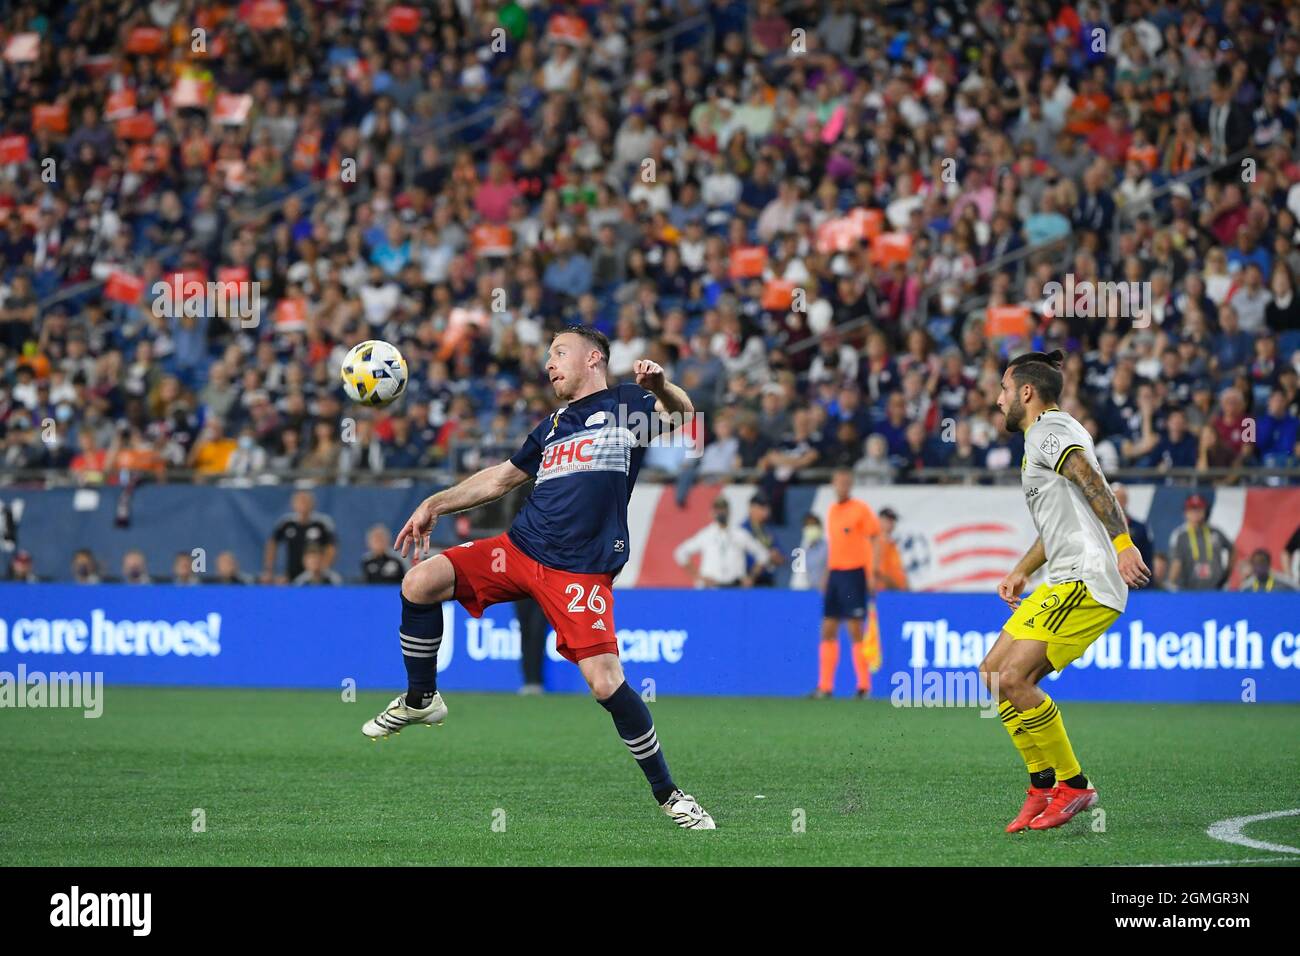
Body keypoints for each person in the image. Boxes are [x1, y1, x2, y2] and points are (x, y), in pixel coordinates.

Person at [366, 327, 715, 830]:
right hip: (520, 547)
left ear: (593, 358)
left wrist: (660, 386)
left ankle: (671, 795)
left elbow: (684, 416)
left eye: (559, 353)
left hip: (578, 570)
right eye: (548, 355)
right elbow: (501, 478)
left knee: (605, 683)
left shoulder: (628, 404)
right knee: (419, 583)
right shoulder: (553, 425)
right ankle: (423, 700)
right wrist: (433, 503)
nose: (548, 363)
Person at [979, 350, 1150, 833]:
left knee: (1015, 677)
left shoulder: (1050, 432)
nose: (998, 401)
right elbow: (1058, 523)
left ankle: (1074, 786)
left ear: (1026, 393)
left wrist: (1122, 545)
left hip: (1088, 578)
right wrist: (1021, 569)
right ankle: (1041, 784)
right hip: (1063, 574)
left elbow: (1093, 482)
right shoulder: (1045, 435)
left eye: (1003, 391)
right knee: (993, 674)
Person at [813, 467, 883, 700]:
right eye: (838, 482)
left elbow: (875, 538)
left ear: (850, 484)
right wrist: (827, 573)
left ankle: (864, 686)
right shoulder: (832, 510)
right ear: (833, 483)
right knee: (828, 628)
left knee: (855, 629)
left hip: (854, 574)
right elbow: (835, 546)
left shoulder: (860, 509)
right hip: (835, 574)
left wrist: (871, 572)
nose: (842, 486)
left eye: (846, 482)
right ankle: (825, 686)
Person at [674, 496, 770, 588]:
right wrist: (698, 576)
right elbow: (681, 552)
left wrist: (751, 577)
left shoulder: (739, 534)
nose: (721, 513)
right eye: (718, 510)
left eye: (723, 509)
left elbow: (763, 554)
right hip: (711, 588)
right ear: (712, 512)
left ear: (729, 511)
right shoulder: (706, 534)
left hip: (735, 587)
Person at [862, 506, 909, 675]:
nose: (891, 524)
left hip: (891, 595)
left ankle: (876, 671)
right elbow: (878, 573)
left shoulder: (889, 543)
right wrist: (900, 588)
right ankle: (873, 672)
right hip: (883, 596)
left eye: (892, 520)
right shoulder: (879, 543)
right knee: (878, 636)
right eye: (887, 520)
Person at [263, 489, 337, 583]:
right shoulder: (287, 523)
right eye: (299, 501)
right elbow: (272, 544)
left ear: (313, 504)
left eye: (305, 501)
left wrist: (323, 568)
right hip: (292, 573)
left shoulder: (321, 523)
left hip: (314, 575)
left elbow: (331, 548)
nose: (303, 505)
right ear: (293, 504)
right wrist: (269, 570)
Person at [1166, 494, 1232, 591]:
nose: (1195, 513)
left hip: (1216, 589)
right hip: (1188, 590)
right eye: (1192, 509)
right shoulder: (1180, 536)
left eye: (1199, 509)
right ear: (1185, 512)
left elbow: (1232, 549)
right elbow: (1176, 562)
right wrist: (1171, 583)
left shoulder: (1215, 532)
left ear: (1205, 511)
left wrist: (1227, 573)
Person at [740, 491, 783, 587]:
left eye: (767, 507)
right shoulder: (741, 531)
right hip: (748, 582)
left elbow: (781, 556)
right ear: (751, 508)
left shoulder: (768, 530)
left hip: (767, 581)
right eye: (762, 507)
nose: (767, 511)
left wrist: (776, 556)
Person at [1110, 483, 1153, 570]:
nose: (1118, 503)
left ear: (1126, 501)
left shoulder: (1140, 528)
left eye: (1121, 499)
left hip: (1132, 576)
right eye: (1114, 499)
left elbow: (1147, 558)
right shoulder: (1099, 526)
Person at [514, 597, 550, 695]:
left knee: (537, 631)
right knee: (525, 631)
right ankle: (528, 680)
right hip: (521, 590)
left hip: (542, 590)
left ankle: (536, 681)